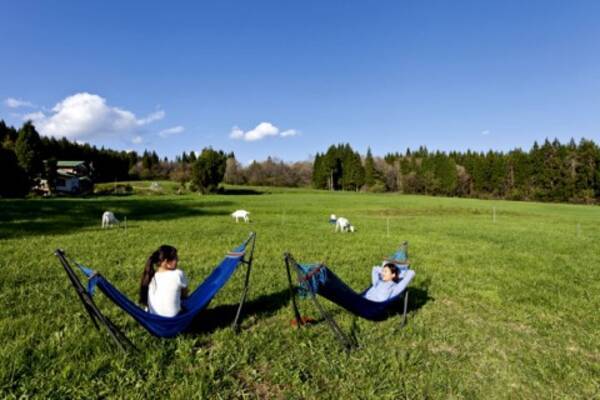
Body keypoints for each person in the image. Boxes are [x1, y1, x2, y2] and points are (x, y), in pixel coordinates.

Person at [139, 245, 188, 317]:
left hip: (154, 323)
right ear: (166, 262)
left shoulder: (150, 278)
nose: (178, 259)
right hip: (175, 322)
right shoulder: (178, 274)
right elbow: (184, 296)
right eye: (175, 258)